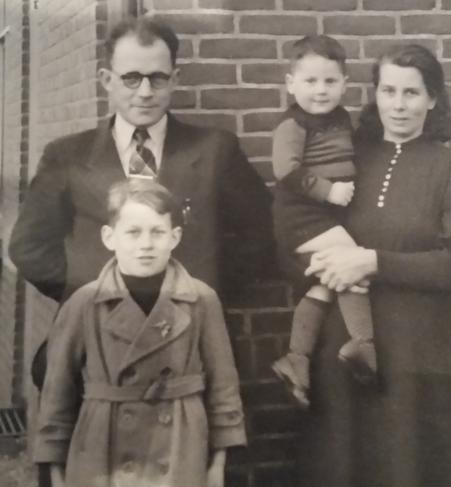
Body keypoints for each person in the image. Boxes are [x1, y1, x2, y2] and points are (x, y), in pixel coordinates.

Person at [295, 44, 451, 487]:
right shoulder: (346, 161)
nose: (398, 105)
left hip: (418, 352)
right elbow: (298, 226)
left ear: (433, 99)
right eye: (388, 91)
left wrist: (372, 261)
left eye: (412, 93)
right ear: (375, 95)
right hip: (346, 345)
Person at [9, 16, 273, 305]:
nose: (145, 93)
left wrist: (207, 290)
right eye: (131, 78)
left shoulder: (216, 150)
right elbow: (29, 248)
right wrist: (85, 295)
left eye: (157, 78)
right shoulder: (67, 156)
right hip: (99, 329)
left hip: (189, 326)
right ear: (107, 80)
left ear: (175, 79)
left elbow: (261, 234)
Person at [33, 179, 246, 487]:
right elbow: (57, 394)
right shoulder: (85, 302)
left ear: (175, 237)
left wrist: (218, 463)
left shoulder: (201, 299)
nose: (146, 244)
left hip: (180, 444)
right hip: (102, 446)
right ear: (109, 237)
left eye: (157, 232)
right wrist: (55, 469)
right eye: (133, 232)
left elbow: (223, 388)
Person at [270, 35, 376, 408]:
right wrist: (329, 191)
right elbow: (286, 171)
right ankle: (363, 345)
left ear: (345, 84)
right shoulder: (293, 124)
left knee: (326, 285)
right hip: (301, 214)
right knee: (351, 263)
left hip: (326, 214)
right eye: (311, 81)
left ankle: (297, 358)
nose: (321, 90)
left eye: (330, 81)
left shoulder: (340, 118)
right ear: (290, 84)